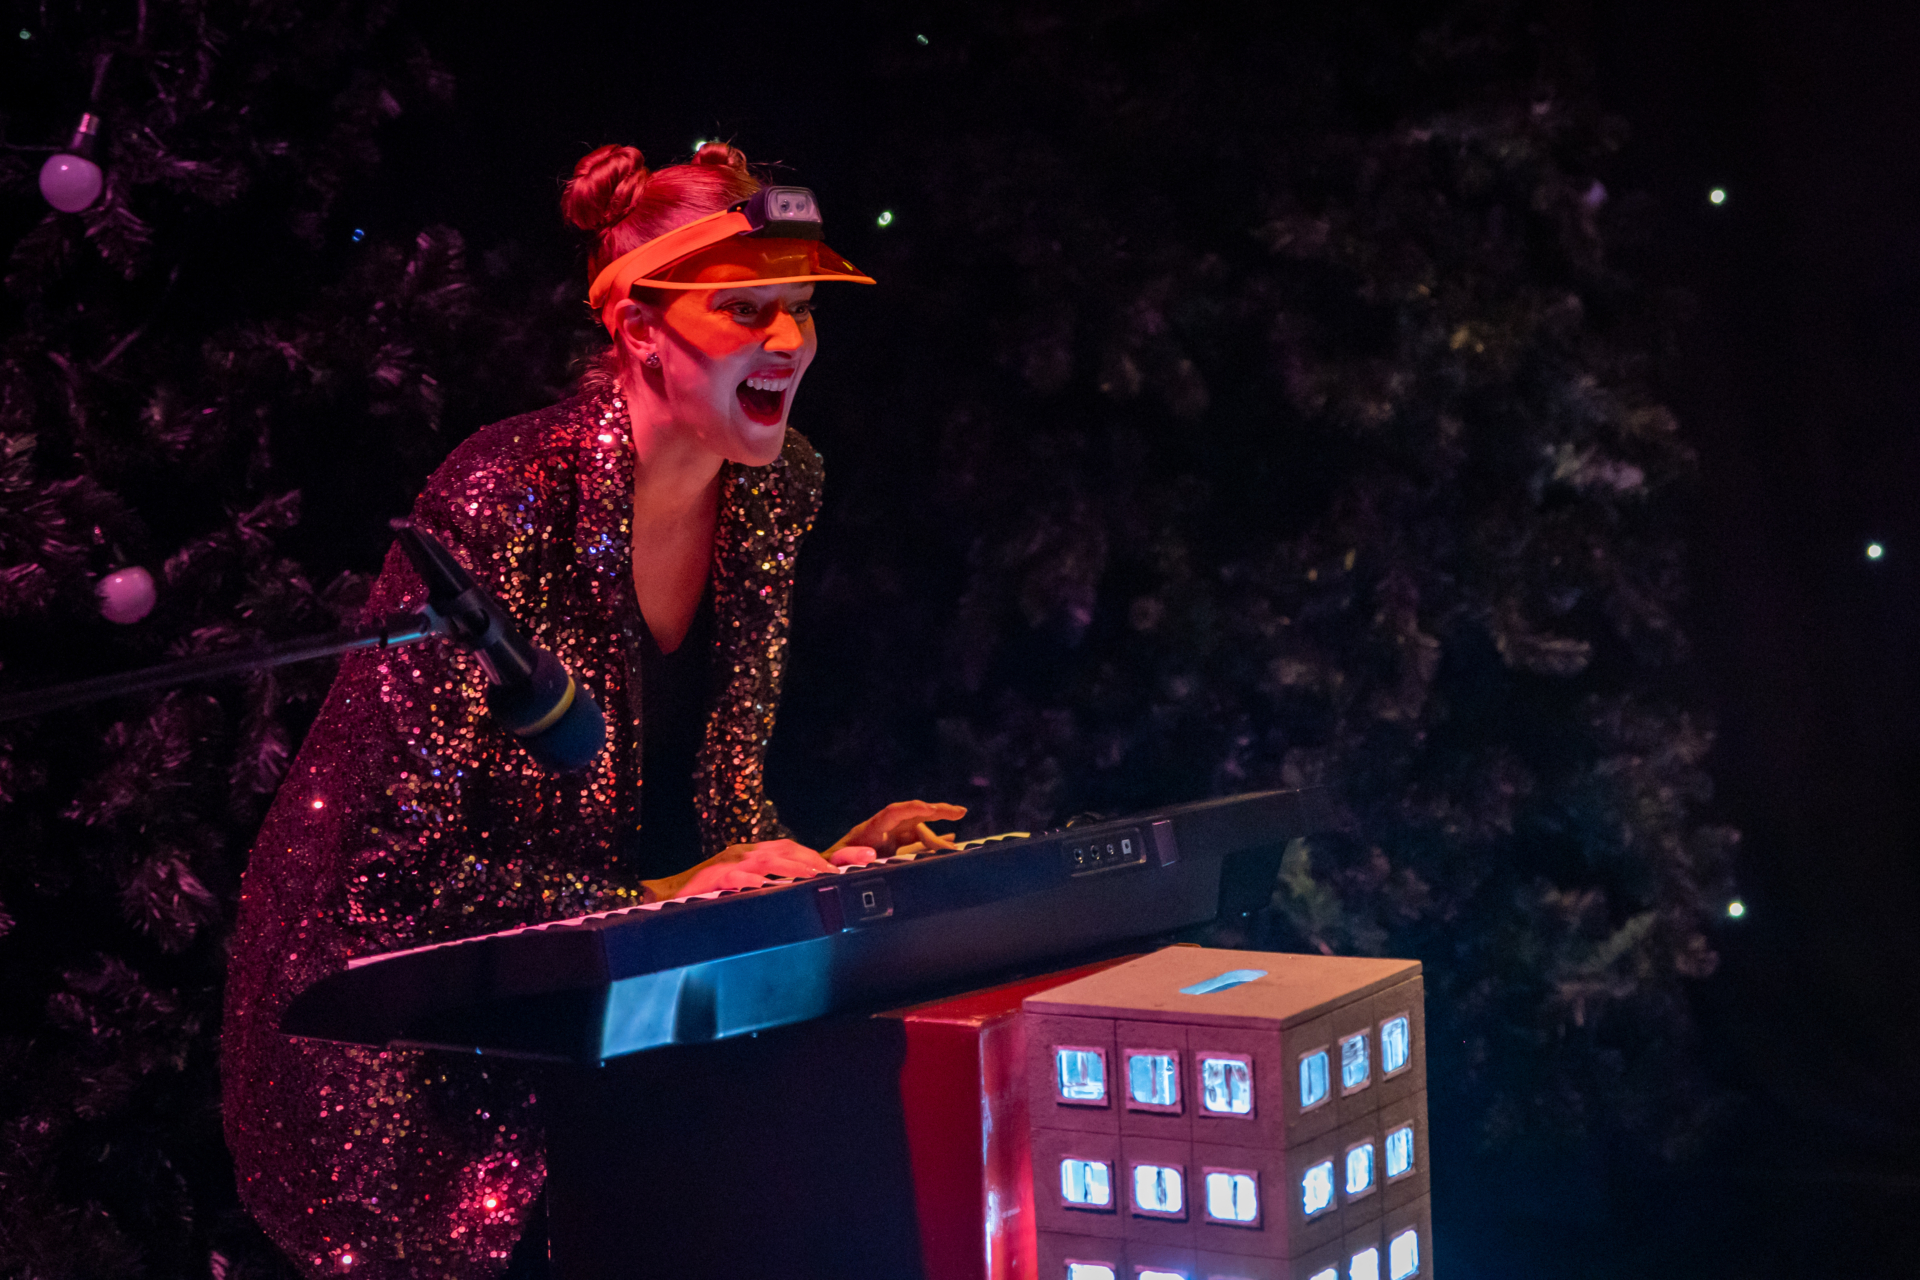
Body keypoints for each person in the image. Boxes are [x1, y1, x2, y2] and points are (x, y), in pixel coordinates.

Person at [222, 141, 964, 1278]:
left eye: (804, 310)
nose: (788, 341)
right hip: (414, 1067)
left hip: (616, 1020)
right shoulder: (505, 495)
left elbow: (715, 805)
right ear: (637, 330)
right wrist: (655, 899)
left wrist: (816, 865)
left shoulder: (777, 485)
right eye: (747, 310)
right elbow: (397, 876)